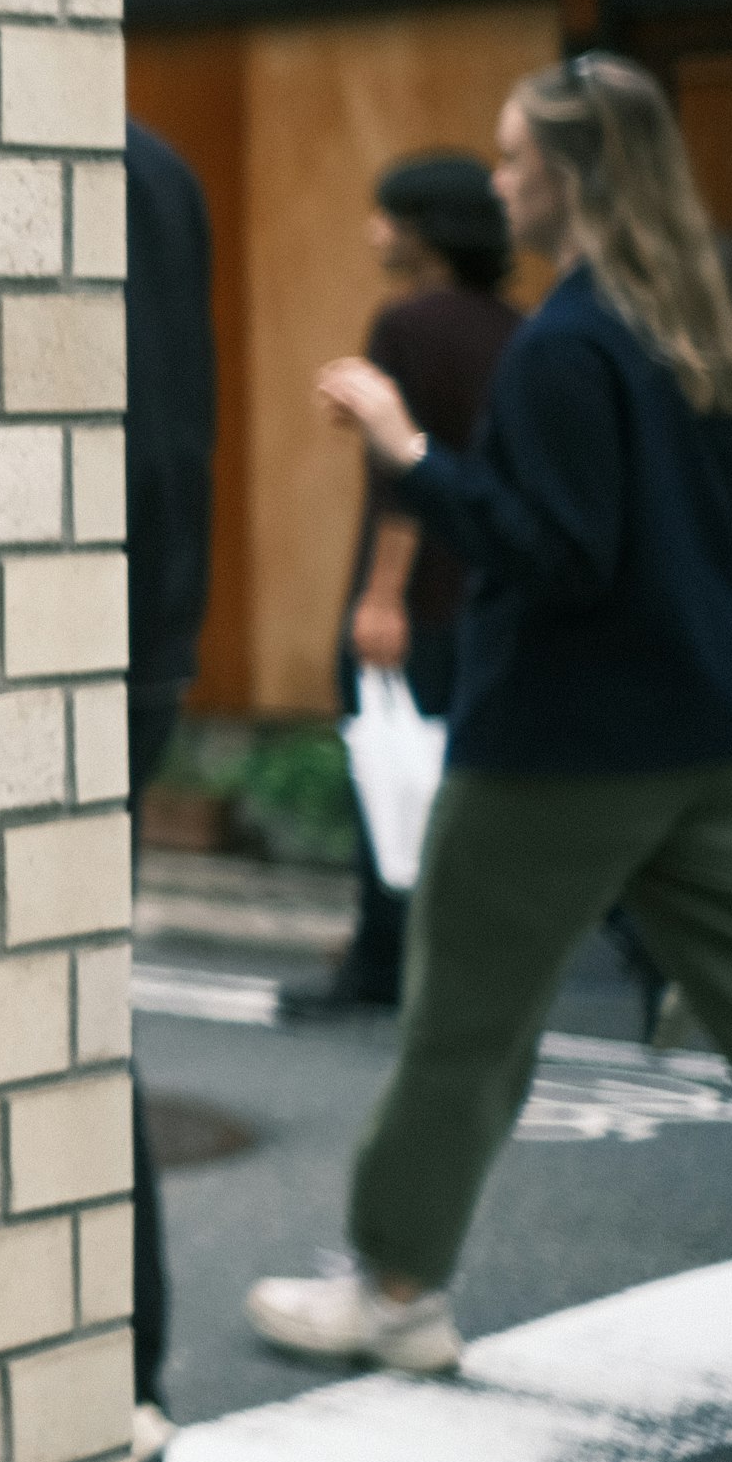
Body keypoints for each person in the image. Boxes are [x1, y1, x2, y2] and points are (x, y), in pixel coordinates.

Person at [251, 54, 732, 1372]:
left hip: (554, 750)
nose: (498, 181)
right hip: (716, 729)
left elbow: (559, 552)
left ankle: (397, 1291)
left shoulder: (566, 348)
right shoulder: (703, 323)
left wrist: (406, 454)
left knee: (464, 1031)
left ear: (570, 177)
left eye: (514, 157)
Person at [283, 155, 520, 1018]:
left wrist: (381, 597)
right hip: (485, 587)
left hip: (416, 596)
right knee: (455, 783)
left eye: (386, 215)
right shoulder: (512, 325)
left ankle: (381, 967)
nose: (373, 231)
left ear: (424, 225)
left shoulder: (406, 325)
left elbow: (402, 475)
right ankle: (456, 962)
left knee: (385, 780)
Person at [123, 119, 217, 1462]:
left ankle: (126, 1435)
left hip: (56, 646)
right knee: (86, 1030)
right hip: (142, 648)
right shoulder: (161, 167)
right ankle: (133, 1432)